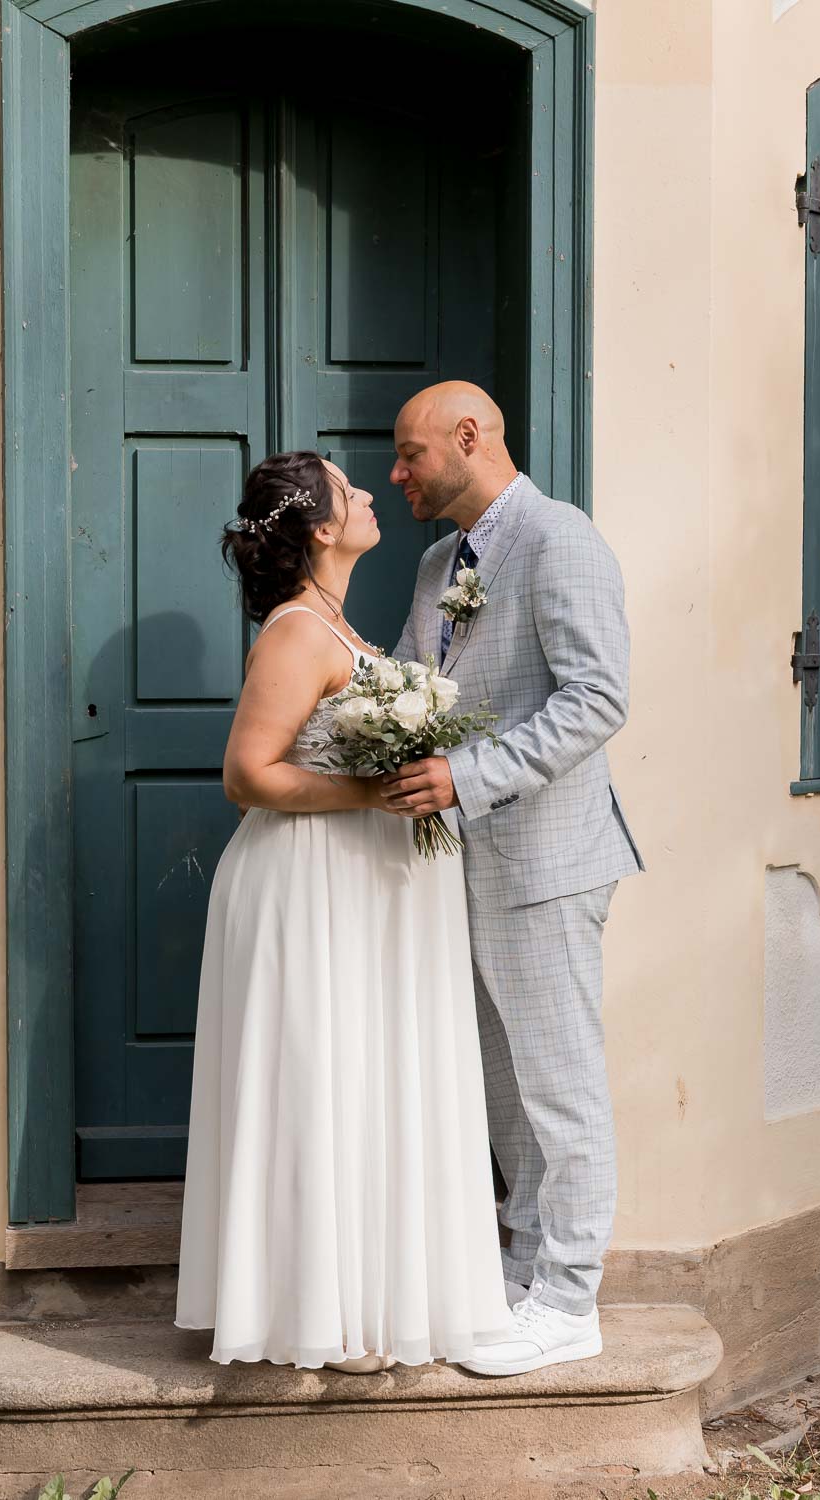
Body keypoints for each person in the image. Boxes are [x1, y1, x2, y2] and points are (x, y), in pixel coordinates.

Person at [174, 449, 512, 1372]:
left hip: (366, 892)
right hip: (308, 886)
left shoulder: (343, 625)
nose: (369, 493)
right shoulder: (296, 633)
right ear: (323, 528)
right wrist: (372, 795)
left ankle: (366, 1298)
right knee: (317, 1076)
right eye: (348, 487)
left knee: (365, 1075)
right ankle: (312, 1311)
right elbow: (249, 776)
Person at [384, 382, 644, 1377]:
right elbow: (417, 684)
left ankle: (570, 1301)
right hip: (463, 865)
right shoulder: (435, 563)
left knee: (559, 1086)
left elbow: (596, 698)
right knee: (505, 1092)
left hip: (548, 860)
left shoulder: (560, 540)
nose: (397, 474)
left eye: (410, 455)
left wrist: (469, 775)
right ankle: (526, 1270)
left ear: (468, 436)